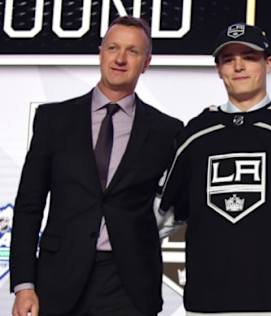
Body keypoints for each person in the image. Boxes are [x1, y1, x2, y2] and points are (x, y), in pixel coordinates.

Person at [9, 15, 183, 316]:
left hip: (130, 285)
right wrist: (24, 284)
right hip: (58, 278)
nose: (120, 58)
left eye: (132, 51)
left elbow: (179, 203)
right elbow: (28, 205)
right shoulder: (54, 119)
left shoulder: (167, 131)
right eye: (113, 48)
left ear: (147, 63)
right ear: (100, 52)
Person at [158, 23, 271, 315]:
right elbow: (160, 217)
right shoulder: (196, 134)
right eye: (228, 59)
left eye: (249, 56)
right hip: (208, 305)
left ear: (268, 64)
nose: (238, 66)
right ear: (218, 69)